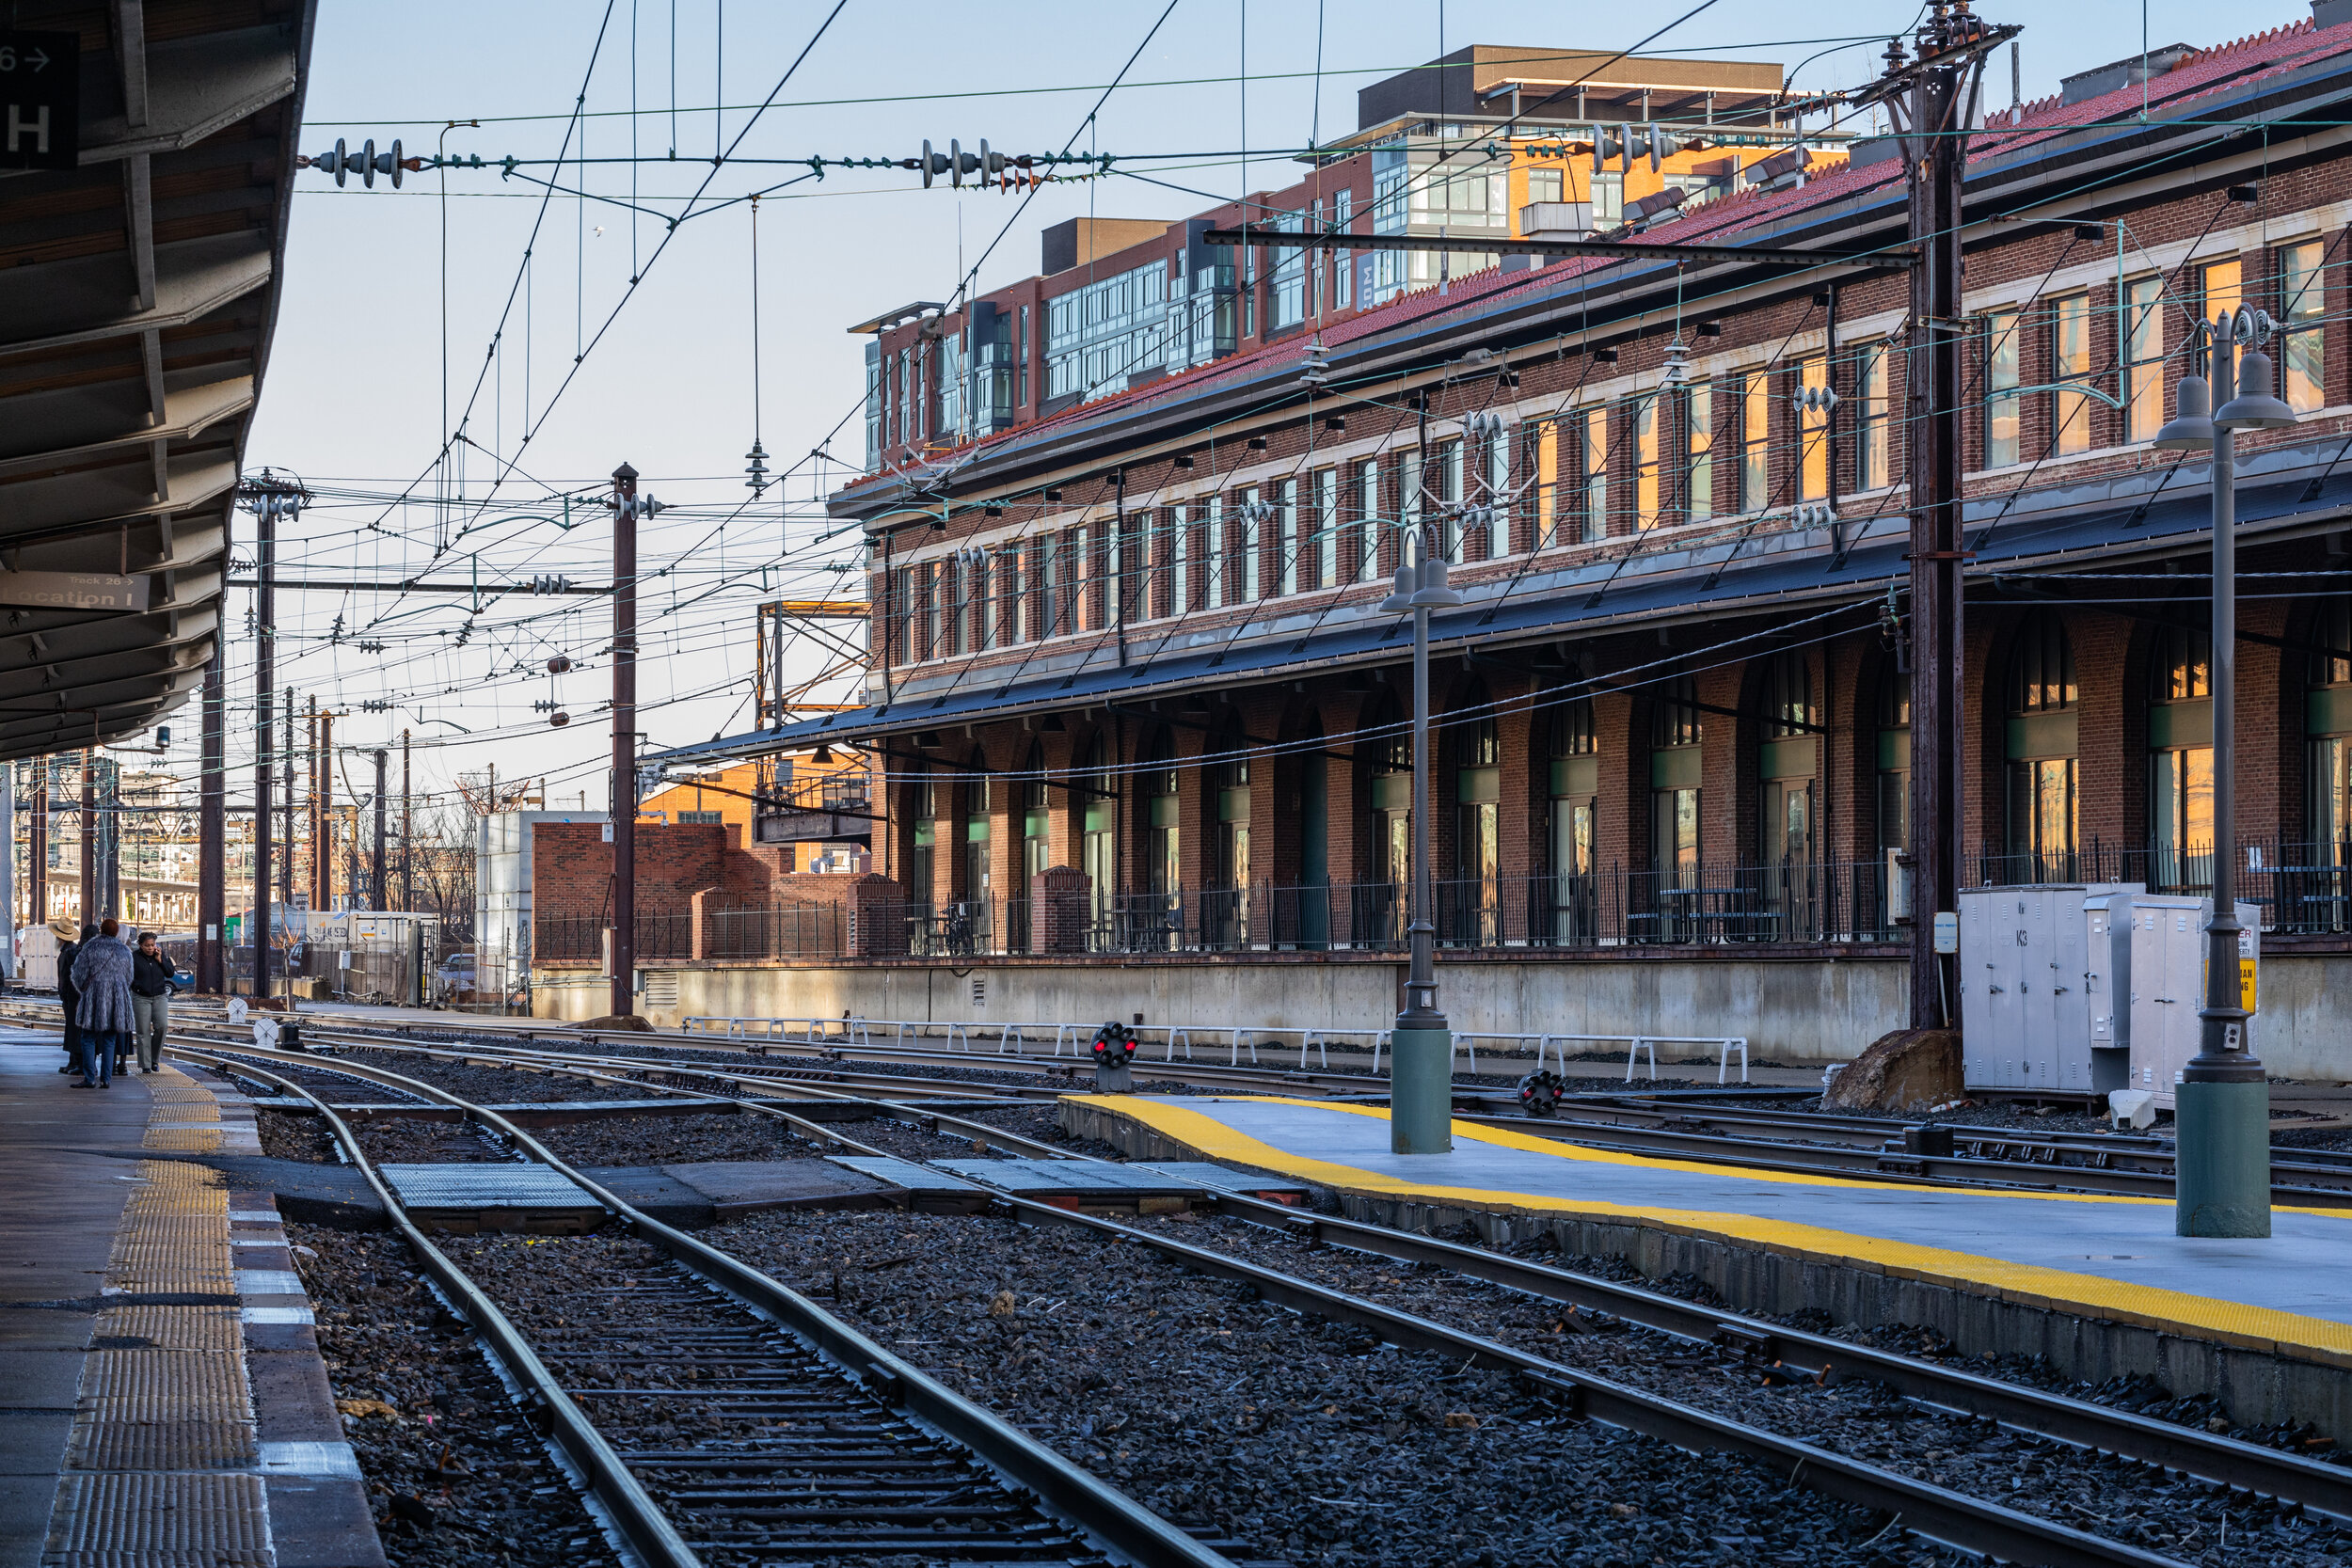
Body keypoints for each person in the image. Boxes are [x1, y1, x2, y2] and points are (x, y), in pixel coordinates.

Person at [68, 920, 133, 1090]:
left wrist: (85, 989)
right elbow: (129, 977)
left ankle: (89, 1078)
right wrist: (117, 987)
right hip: (117, 998)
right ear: (117, 932)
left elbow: (78, 973)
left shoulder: (90, 947)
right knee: (110, 1039)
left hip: (94, 997)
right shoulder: (124, 950)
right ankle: (106, 1080)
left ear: (101, 930)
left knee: (88, 1038)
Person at [129, 933, 177, 1074]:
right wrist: (135, 987)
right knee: (143, 1031)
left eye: (153, 945)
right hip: (141, 997)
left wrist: (160, 960)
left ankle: (155, 1059)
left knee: (162, 1026)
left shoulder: (160, 956)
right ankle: (146, 1064)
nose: (150, 948)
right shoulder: (134, 957)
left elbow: (170, 973)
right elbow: (128, 976)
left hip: (160, 996)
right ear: (140, 945)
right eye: (147, 945)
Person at [56, 922, 91, 1075]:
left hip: (73, 997)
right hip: (70, 996)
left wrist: (77, 997)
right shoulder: (69, 950)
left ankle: (77, 1062)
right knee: (72, 1030)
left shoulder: (71, 952)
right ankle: (73, 1061)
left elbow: (74, 977)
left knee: (75, 1031)